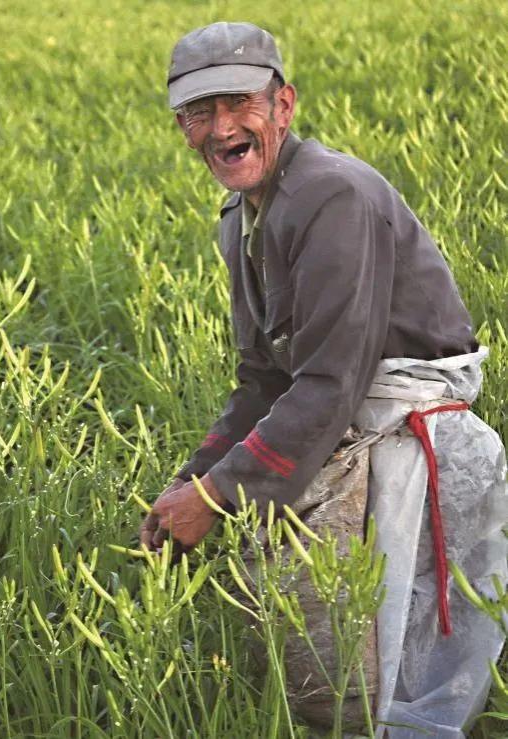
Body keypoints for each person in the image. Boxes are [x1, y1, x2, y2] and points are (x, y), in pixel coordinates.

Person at [140, 22, 507, 737]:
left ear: (284, 106)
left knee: (393, 678)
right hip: (347, 423)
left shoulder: (331, 195)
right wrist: (194, 480)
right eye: (198, 113)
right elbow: (263, 377)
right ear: (181, 126)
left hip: (409, 441)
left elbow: (327, 384)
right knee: (333, 664)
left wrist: (215, 497)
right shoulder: (240, 216)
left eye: (238, 104)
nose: (220, 129)